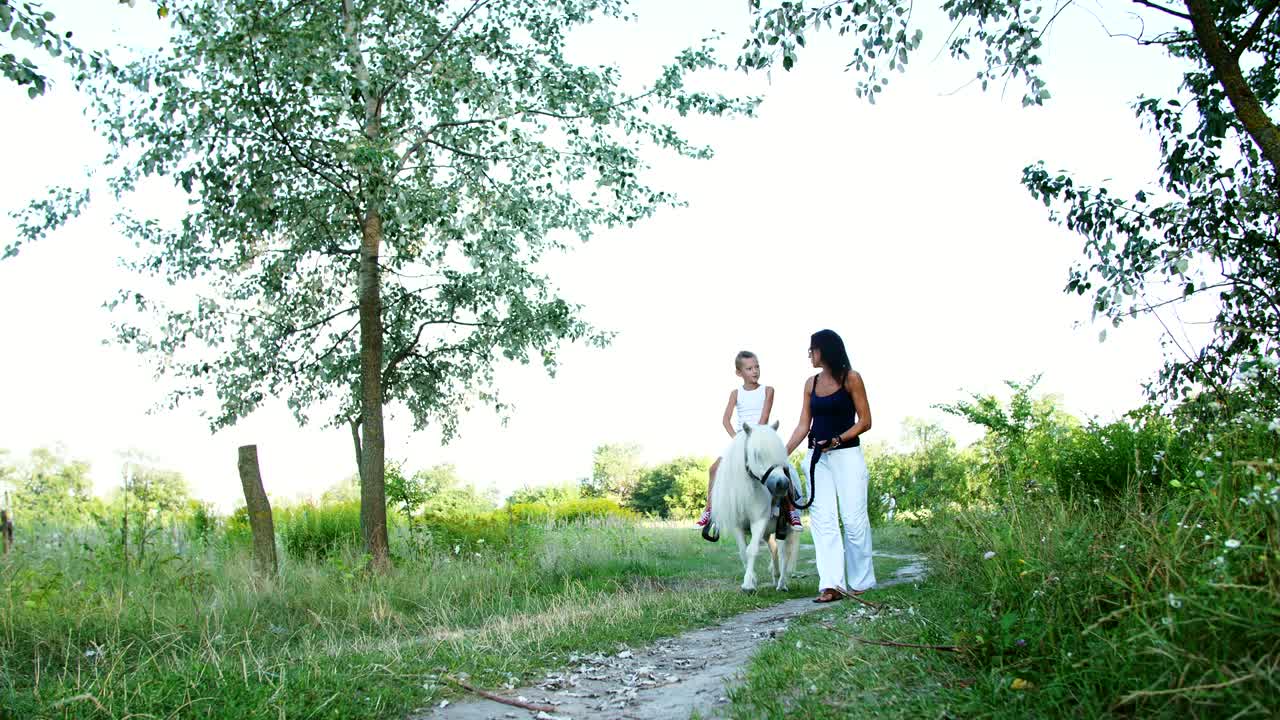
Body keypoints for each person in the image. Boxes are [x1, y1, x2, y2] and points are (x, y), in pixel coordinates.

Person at [784, 329, 874, 603]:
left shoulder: (851, 378)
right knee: (823, 522)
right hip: (817, 458)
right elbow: (803, 425)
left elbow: (865, 421)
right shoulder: (810, 384)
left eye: (812, 349)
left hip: (847, 456)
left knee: (854, 520)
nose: (809, 354)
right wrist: (781, 455)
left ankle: (860, 582)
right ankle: (832, 585)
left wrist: (837, 440)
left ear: (825, 349)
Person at [697, 351, 801, 528]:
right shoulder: (735, 393)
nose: (755, 371)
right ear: (739, 373)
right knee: (714, 469)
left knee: (782, 467)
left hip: (761, 437)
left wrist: (754, 440)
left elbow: (764, 418)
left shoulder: (768, 390)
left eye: (757, 367)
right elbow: (725, 420)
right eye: (749, 368)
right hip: (741, 440)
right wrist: (737, 439)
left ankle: (790, 510)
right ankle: (709, 510)